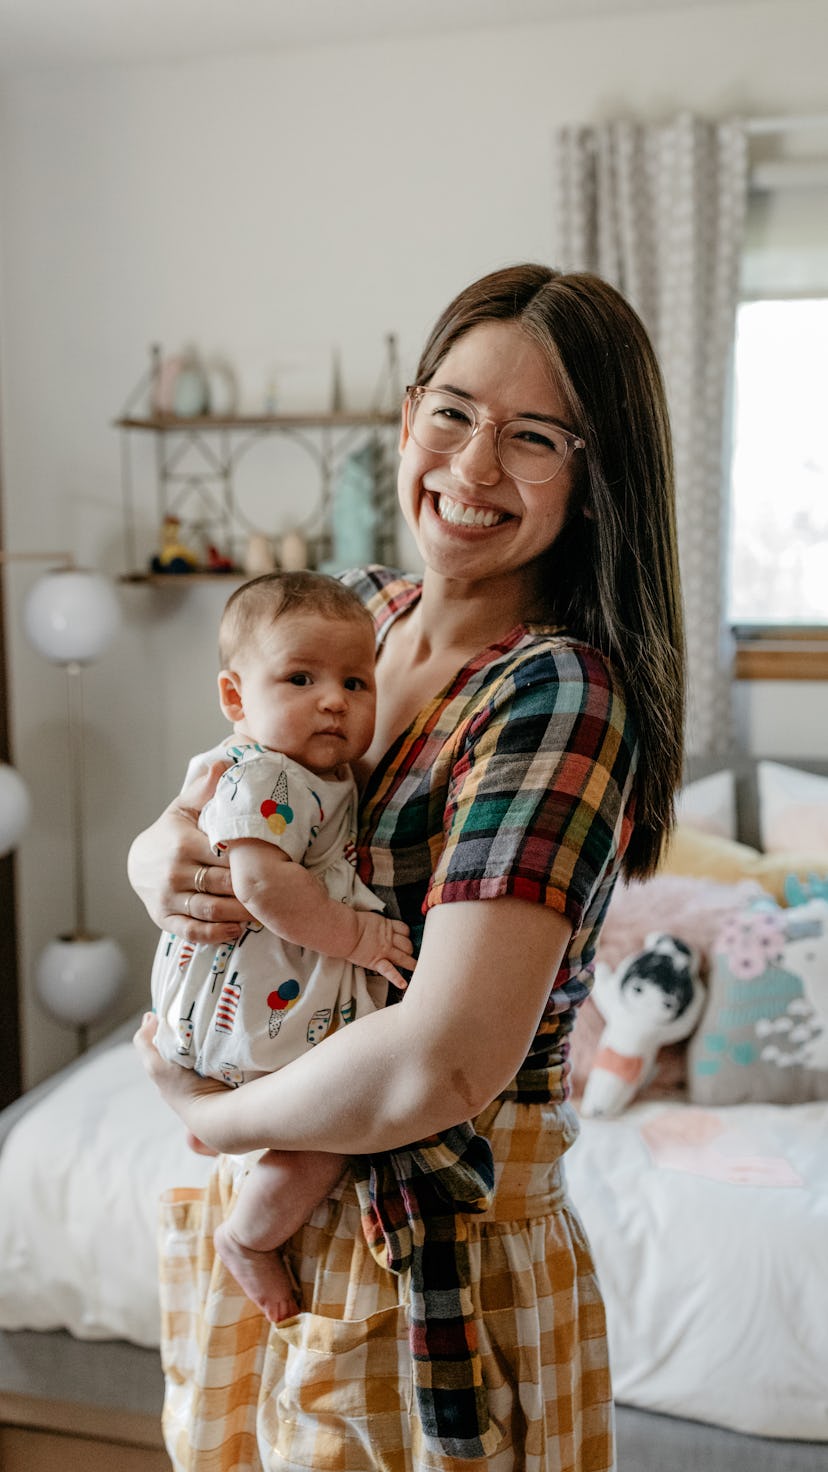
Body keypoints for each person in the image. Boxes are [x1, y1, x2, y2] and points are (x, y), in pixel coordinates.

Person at [130, 262, 685, 1472]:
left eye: (533, 436)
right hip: (288, 1219)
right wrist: (156, 855)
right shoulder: (355, 619)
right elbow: (218, 786)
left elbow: (442, 1057)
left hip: (429, 1255)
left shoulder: (556, 692)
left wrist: (213, 1120)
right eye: (453, 412)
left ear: (595, 484)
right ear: (407, 413)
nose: (473, 467)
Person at [149, 570, 413, 1323]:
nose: (334, 699)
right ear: (237, 699)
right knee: (335, 1132)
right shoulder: (270, 776)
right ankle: (249, 1238)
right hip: (256, 1001)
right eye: (301, 677)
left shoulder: (308, 772)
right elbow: (263, 887)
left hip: (240, 999)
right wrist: (359, 934)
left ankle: (228, 1122)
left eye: (355, 682)